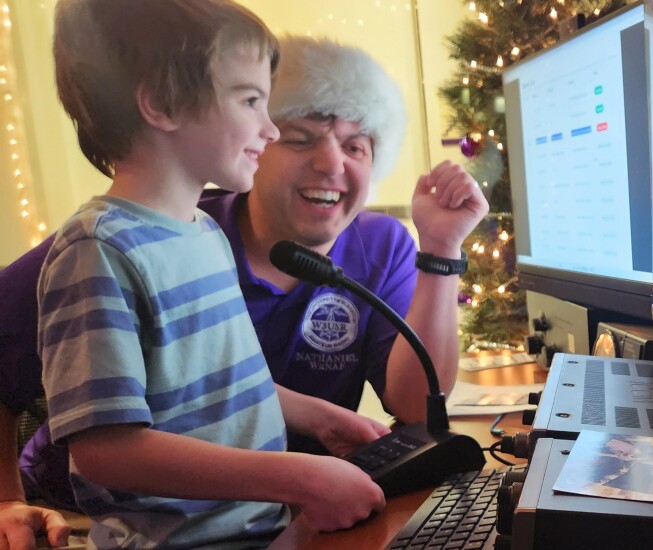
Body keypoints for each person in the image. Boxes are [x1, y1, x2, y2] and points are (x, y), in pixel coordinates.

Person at [1, 22, 488, 550]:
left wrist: (315, 416)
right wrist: (293, 475)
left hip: (254, 520)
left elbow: (214, 375)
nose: (272, 130)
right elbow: (103, 448)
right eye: (257, 104)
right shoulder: (98, 248)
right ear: (162, 107)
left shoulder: (199, 234)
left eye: (357, 146)